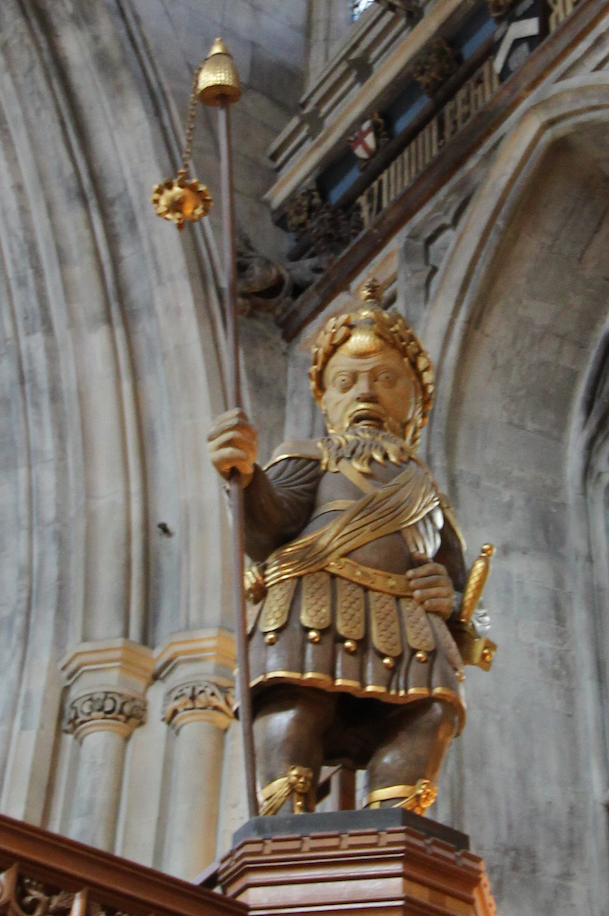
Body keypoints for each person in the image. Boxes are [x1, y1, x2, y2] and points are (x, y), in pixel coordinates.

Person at [207, 277, 489, 816]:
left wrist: (450, 597)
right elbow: (268, 525)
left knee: (426, 716)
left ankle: (399, 832)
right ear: (327, 401)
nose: (364, 393)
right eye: (346, 381)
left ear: (415, 403)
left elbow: (454, 576)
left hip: (405, 618)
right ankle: (284, 823)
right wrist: (242, 473)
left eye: (385, 379)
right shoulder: (309, 455)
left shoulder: (426, 489)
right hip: (313, 600)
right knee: (298, 708)